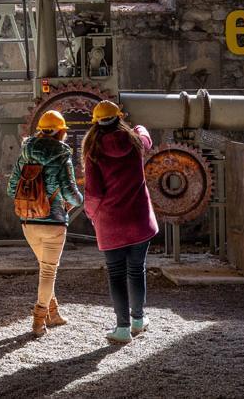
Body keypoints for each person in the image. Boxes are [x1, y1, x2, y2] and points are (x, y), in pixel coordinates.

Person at [81, 100, 157, 345]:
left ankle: (122, 328)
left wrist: (93, 215)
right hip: (139, 221)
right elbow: (146, 136)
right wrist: (139, 127)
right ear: (119, 118)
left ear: (96, 124)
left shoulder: (93, 151)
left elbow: (93, 194)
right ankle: (138, 320)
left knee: (116, 274)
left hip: (111, 224)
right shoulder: (135, 143)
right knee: (137, 270)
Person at [6, 109, 83, 338]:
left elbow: (11, 188)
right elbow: (71, 194)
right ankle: (39, 320)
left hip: (28, 221)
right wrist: (81, 200)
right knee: (48, 272)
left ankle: (54, 312)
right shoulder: (62, 157)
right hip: (54, 223)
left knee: (45, 268)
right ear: (61, 132)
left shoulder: (26, 153)